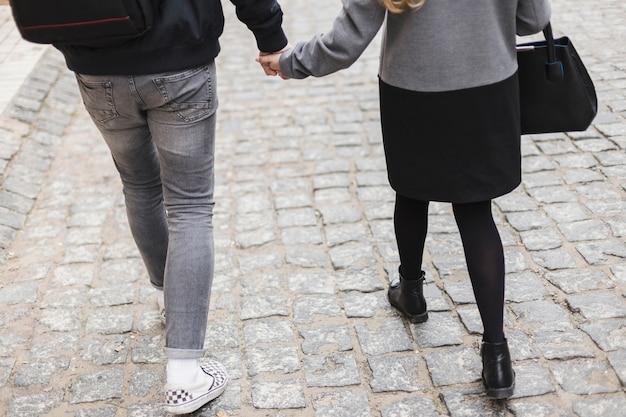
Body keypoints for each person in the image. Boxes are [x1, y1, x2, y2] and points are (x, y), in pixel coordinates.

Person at [258, 0, 550, 399]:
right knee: (475, 210)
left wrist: (290, 61)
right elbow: (532, 19)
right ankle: (496, 356)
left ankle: (411, 291)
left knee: (412, 190)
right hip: (487, 82)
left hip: (413, 86)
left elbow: (348, 36)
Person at [53, 0, 288, 414]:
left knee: (139, 186)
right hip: (179, 60)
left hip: (96, 65)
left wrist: (72, 41)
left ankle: (168, 298)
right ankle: (183, 374)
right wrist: (271, 36)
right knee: (191, 205)